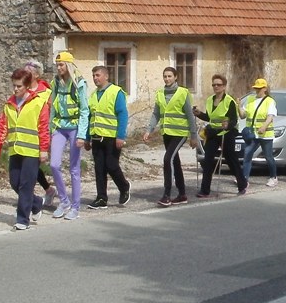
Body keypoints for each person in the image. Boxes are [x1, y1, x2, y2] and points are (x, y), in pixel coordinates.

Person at [0, 68, 50, 230]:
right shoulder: (9, 104)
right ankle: (36, 202)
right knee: (14, 182)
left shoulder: (39, 103)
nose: (16, 89)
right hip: (15, 150)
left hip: (32, 151)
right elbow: (3, 125)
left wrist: (43, 149)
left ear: (27, 86)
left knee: (26, 185)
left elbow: (43, 128)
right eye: (14, 86)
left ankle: (22, 219)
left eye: (19, 86)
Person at [144, 67, 198, 207]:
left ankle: (167, 195)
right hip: (167, 133)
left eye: (169, 76)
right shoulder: (160, 93)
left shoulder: (183, 93)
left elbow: (190, 115)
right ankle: (182, 194)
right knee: (175, 163)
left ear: (175, 77)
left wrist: (193, 136)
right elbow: (156, 114)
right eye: (165, 76)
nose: (167, 79)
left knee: (167, 159)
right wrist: (149, 130)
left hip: (180, 134)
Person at [80, 66, 131, 209]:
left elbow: (122, 114)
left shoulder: (116, 92)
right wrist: (87, 138)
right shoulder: (93, 95)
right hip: (96, 137)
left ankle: (124, 186)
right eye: (93, 76)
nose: (95, 78)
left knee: (111, 165)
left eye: (98, 75)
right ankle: (101, 198)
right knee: (99, 168)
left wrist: (121, 136)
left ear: (106, 76)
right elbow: (90, 117)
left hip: (111, 137)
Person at [193, 73, 248, 197]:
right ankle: (205, 190)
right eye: (214, 85)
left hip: (227, 132)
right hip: (213, 131)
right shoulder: (209, 100)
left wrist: (227, 125)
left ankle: (242, 184)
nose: (216, 87)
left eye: (218, 85)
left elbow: (234, 120)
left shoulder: (230, 101)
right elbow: (209, 117)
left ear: (224, 86)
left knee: (231, 159)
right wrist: (199, 113)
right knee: (208, 160)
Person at [49, 51, 89, 220]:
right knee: (54, 164)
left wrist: (81, 135)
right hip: (59, 126)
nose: (59, 68)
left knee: (74, 169)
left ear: (69, 65)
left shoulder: (78, 83)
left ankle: (75, 206)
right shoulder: (56, 83)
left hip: (74, 127)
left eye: (61, 65)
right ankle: (63, 200)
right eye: (57, 65)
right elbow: (52, 106)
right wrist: (50, 128)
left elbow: (84, 110)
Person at [24, 59, 57, 207]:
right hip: (24, 134)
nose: (25, 75)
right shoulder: (22, 90)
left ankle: (28, 199)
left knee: (31, 167)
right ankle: (48, 190)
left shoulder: (47, 92)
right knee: (31, 167)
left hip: (41, 134)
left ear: (37, 75)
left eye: (28, 72)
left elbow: (51, 114)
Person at [240, 78, 278, 187]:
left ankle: (273, 177)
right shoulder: (251, 99)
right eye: (256, 88)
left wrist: (264, 126)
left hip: (265, 134)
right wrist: (239, 106)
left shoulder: (269, 101)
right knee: (247, 154)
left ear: (265, 89)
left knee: (268, 156)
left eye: (259, 88)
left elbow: (270, 116)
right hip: (252, 134)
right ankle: (244, 179)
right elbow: (243, 115)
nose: (257, 90)